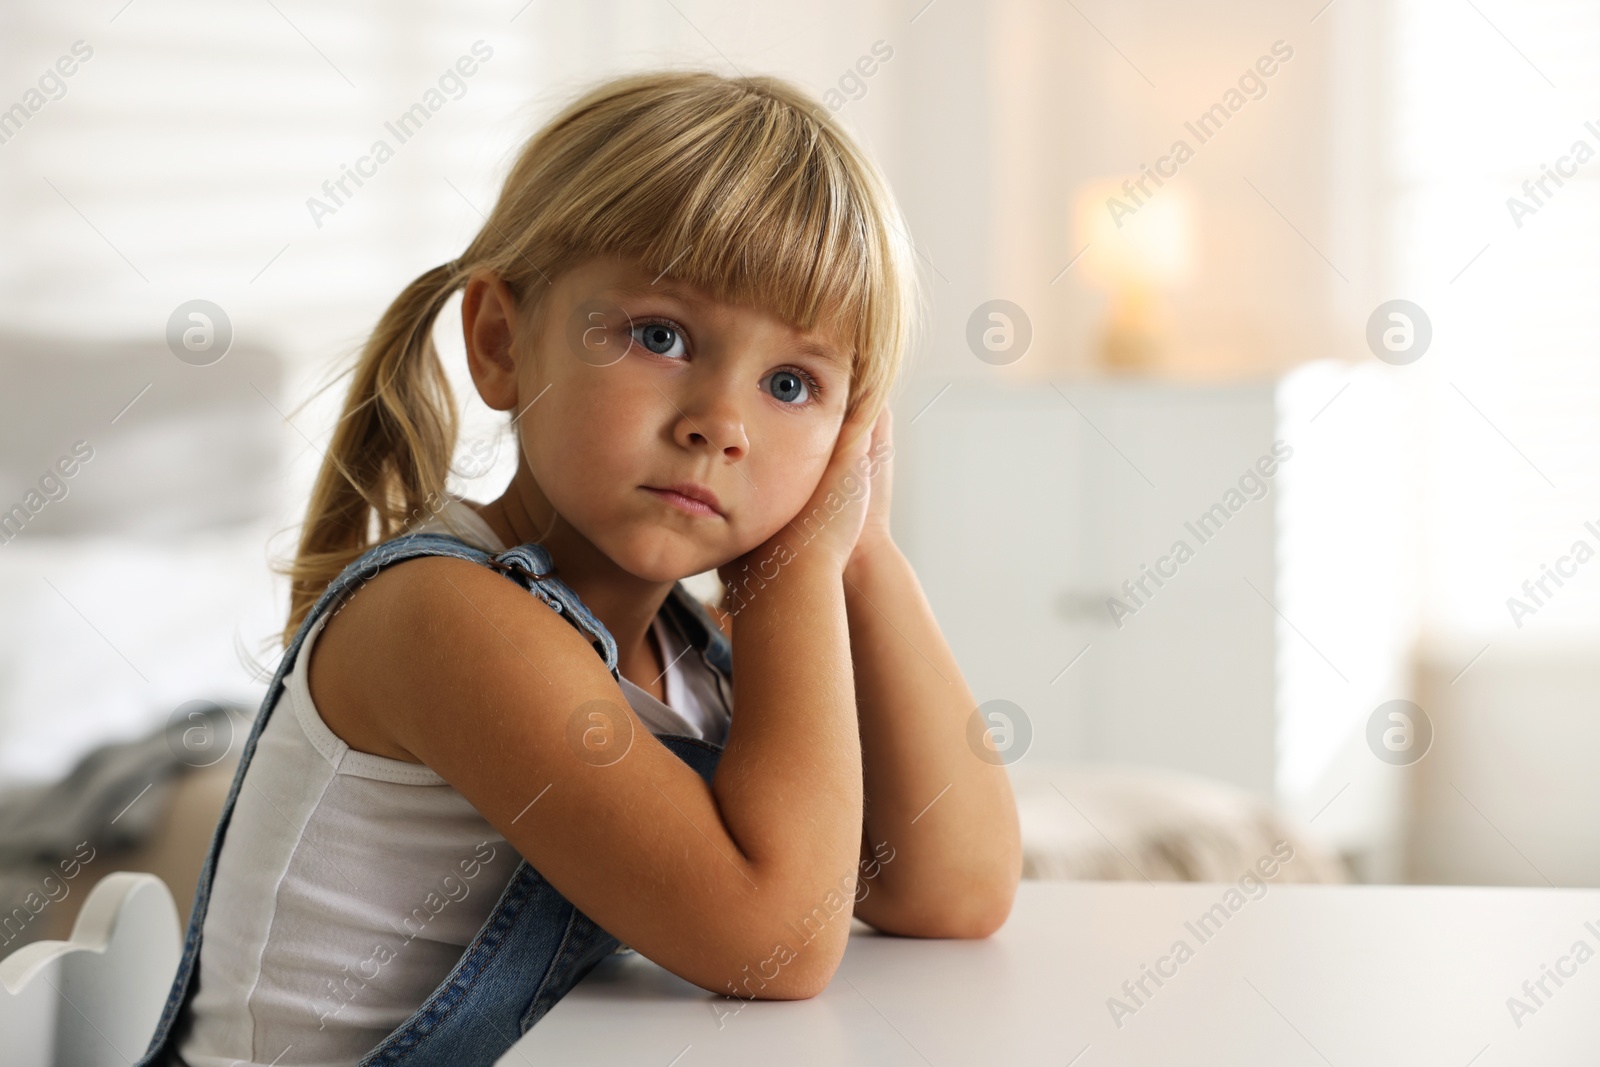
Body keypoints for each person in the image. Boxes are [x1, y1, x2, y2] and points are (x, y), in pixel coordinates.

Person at [138, 68, 1021, 1067]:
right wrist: (800, 577)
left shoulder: (685, 658)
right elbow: (774, 938)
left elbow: (953, 886)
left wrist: (860, 547)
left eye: (791, 383)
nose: (720, 424)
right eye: (660, 334)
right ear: (502, 340)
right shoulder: (442, 615)